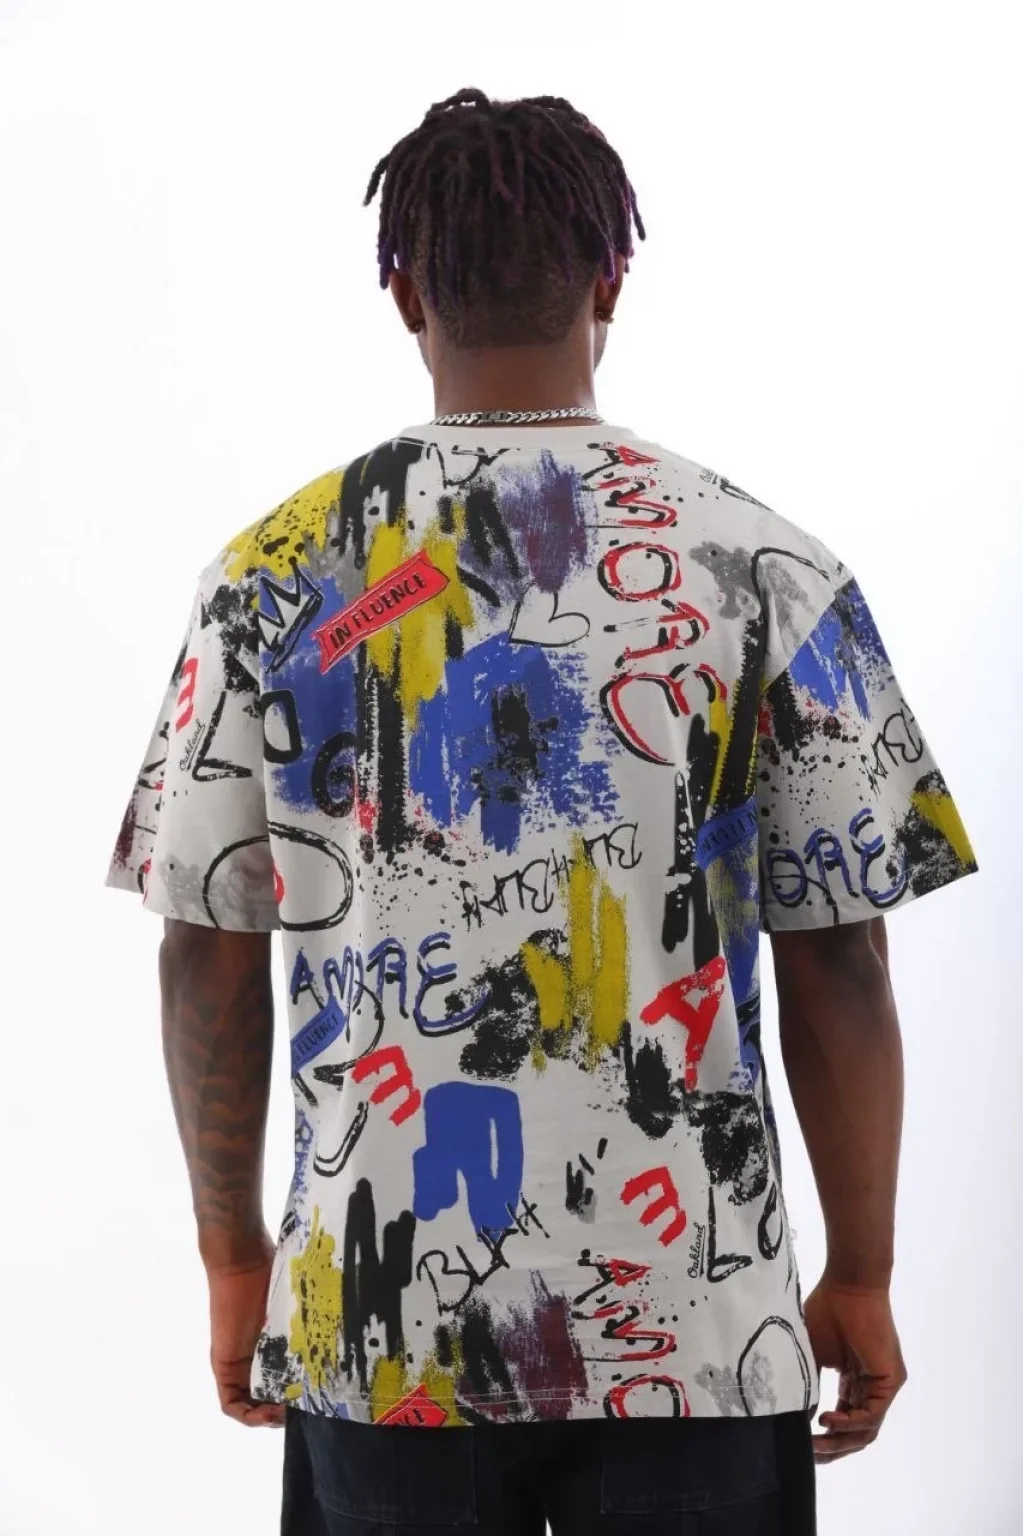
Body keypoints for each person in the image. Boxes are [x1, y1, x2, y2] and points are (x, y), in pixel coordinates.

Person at [107, 88, 978, 1536]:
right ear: (610, 280)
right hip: (699, 1334)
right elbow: (842, 958)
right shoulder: (765, 568)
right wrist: (863, 1272)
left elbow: (205, 946)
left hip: (381, 1327)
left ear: (404, 292)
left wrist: (234, 1257)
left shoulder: (270, 579)